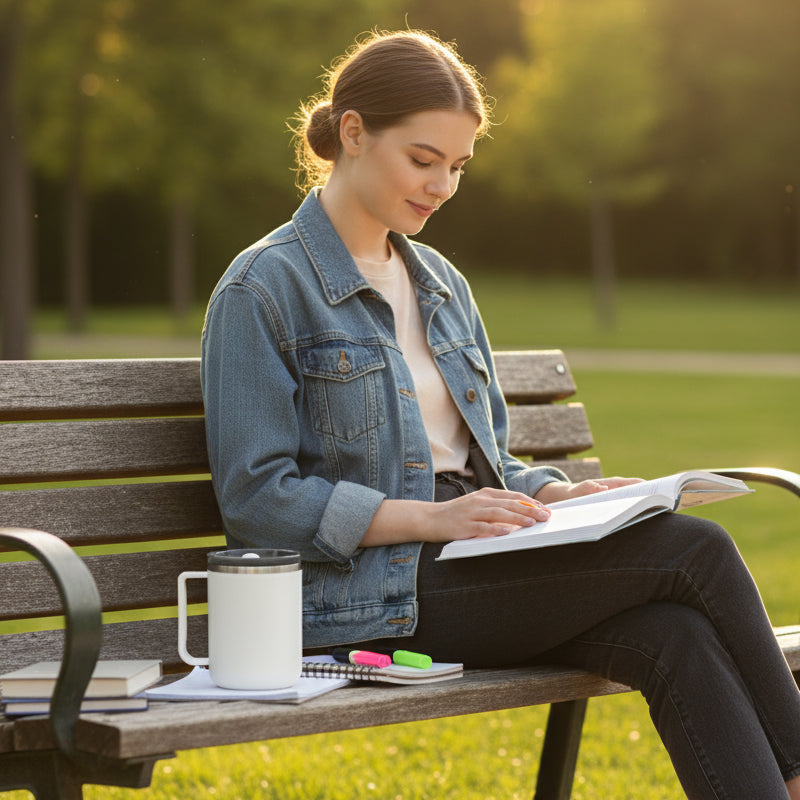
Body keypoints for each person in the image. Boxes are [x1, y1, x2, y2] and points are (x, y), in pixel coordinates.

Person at [201, 29, 800, 799]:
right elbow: (257, 501)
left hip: (473, 568)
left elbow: (488, 460)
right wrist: (432, 520)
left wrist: (552, 496)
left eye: (457, 167)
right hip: (364, 599)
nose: (443, 186)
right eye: (424, 160)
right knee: (696, 552)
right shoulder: (262, 289)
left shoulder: (440, 283)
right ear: (352, 133)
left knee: (672, 636)